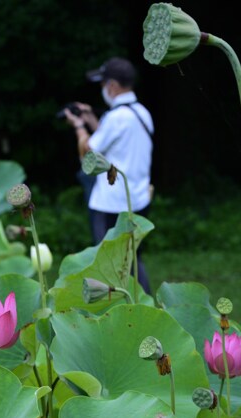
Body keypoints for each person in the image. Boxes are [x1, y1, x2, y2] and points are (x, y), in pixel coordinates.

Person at [64, 57, 153, 291]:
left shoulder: (116, 118)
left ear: (112, 86)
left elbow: (89, 152)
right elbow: (112, 143)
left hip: (111, 204)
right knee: (132, 259)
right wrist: (92, 119)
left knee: (110, 263)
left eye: (103, 84)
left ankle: (125, 309)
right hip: (139, 200)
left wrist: (78, 126)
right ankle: (146, 305)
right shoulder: (142, 113)